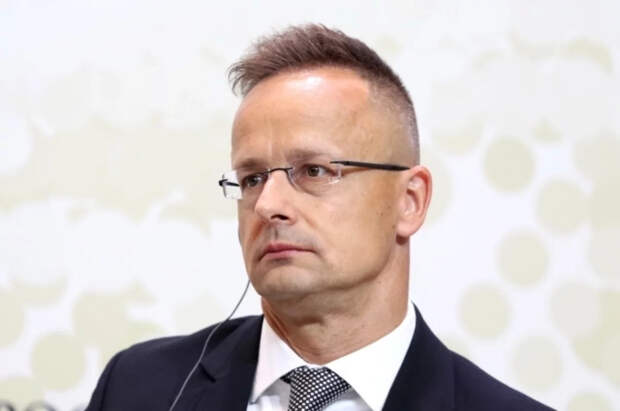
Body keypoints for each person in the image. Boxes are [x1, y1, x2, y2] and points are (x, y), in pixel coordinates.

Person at [85, 24, 553, 411]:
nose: (268, 204)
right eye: (252, 178)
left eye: (313, 171)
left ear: (410, 201)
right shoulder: (136, 388)